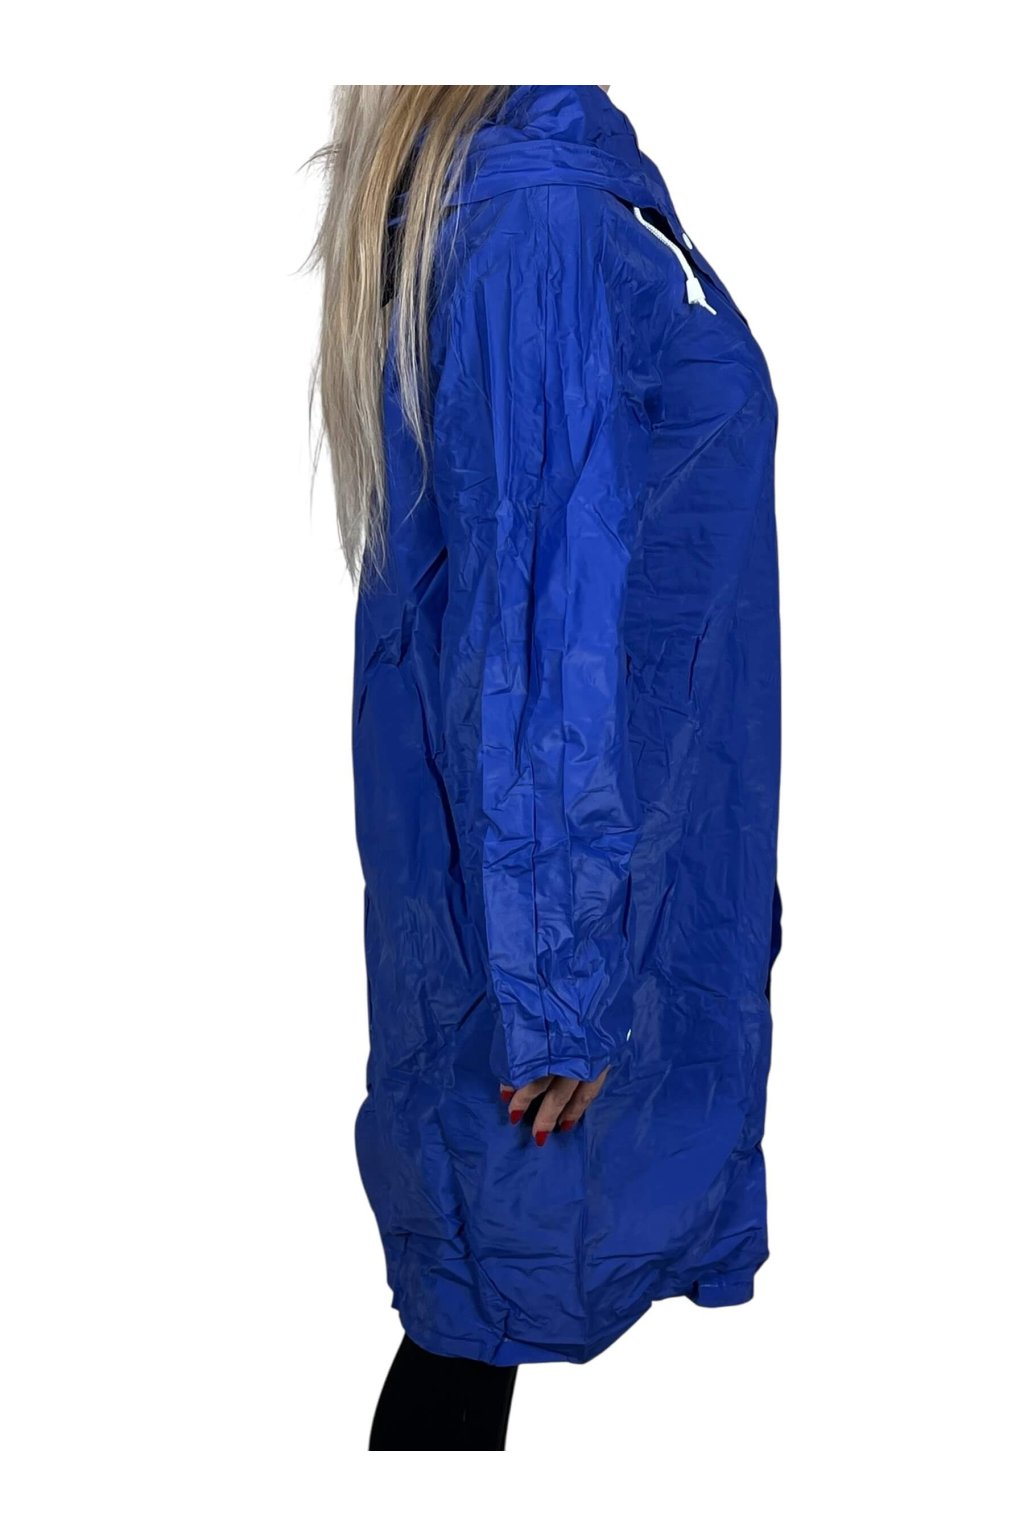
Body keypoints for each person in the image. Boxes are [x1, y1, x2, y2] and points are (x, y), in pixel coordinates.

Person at [311, 84, 783, 1451]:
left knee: (473, 1339)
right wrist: (563, 992)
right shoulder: (541, 215)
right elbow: (535, 630)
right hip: (559, 928)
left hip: (598, 888)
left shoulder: (519, 188)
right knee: (472, 1336)